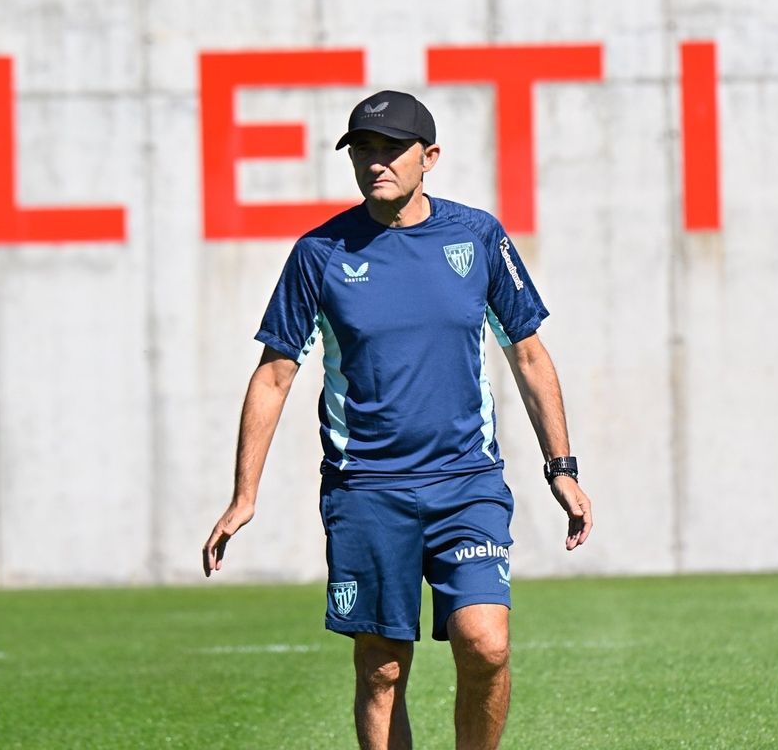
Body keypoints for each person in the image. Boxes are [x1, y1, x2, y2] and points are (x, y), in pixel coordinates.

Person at [203, 90, 593, 749]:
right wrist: (244, 496)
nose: (376, 162)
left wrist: (562, 468)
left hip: (465, 481)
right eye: (363, 149)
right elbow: (273, 375)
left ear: (429, 157)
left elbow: (527, 353)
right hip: (366, 488)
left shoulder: (477, 236)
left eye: (391, 149)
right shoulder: (319, 252)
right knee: (382, 667)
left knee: (486, 643)